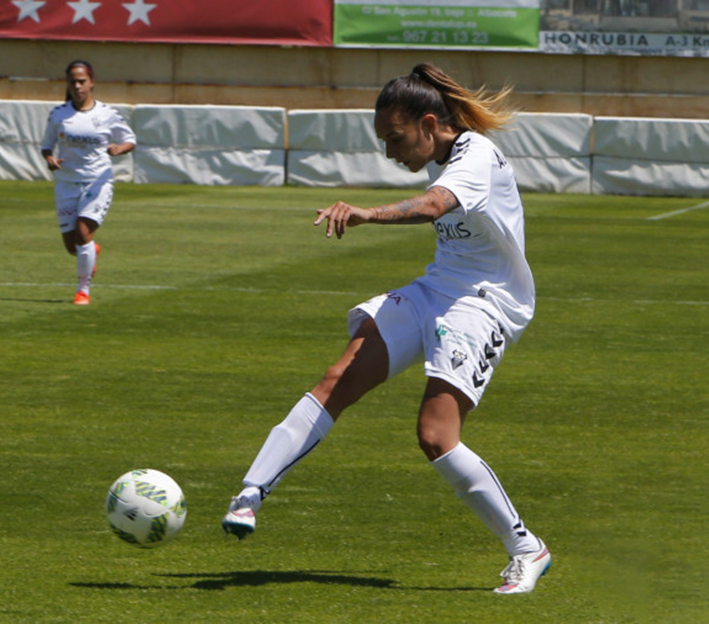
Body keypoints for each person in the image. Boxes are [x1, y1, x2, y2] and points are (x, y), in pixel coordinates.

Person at [221, 63, 551, 595]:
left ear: (427, 123)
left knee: (436, 436)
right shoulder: (443, 149)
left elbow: (434, 205)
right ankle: (251, 493)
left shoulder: (476, 156)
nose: (390, 151)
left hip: (484, 303)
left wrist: (366, 214)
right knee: (337, 377)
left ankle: (526, 548)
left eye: (395, 138)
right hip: (436, 289)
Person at [41, 60, 136, 305]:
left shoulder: (106, 114)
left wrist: (119, 149)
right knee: (73, 247)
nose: (77, 86)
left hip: (97, 181)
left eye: (82, 81)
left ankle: (83, 290)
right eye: (73, 81)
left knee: (83, 232)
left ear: (92, 82)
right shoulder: (59, 114)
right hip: (66, 183)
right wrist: (50, 159)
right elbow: (46, 145)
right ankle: (90, 252)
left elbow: (130, 139)